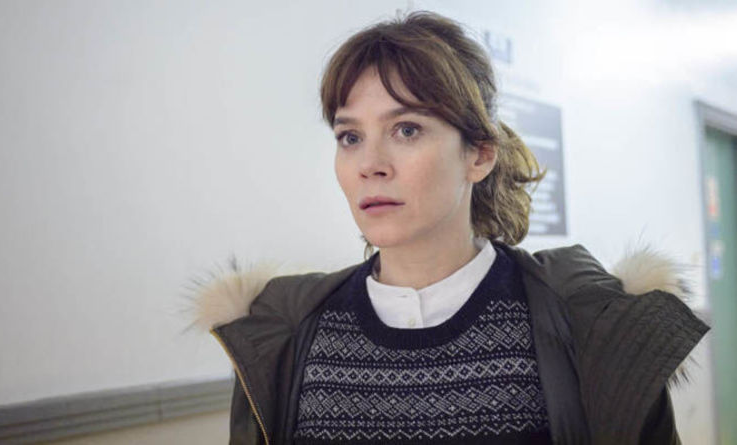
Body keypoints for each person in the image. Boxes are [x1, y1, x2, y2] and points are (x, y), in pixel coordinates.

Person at [191, 10, 709, 445]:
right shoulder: (284, 335)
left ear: (479, 155)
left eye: (406, 129)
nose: (370, 164)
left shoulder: (591, 324)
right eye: (350, 137)